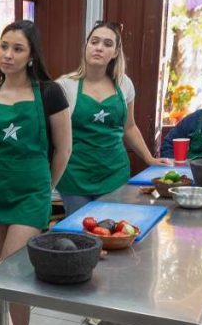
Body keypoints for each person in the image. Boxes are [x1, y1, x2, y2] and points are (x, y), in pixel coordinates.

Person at [0, 20, 72, 325]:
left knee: (16, 270)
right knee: (6, 270)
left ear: (32, 55)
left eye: (17, 48)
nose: (8, 54)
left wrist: (46, 187)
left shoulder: (50, 93)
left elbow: (63, 148)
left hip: (34, 190)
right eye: (4, 46)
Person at [56, 21, 170, 215]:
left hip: (114, 175)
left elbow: (130, 128)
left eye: (108, 44)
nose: (99, 48)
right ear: (86, 46)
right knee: (81, 237)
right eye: (94, 42)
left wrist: (149, 158)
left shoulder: (124, 84)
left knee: (113, 231)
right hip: (74, 176)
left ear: (116, 52)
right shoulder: (65, 86)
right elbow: (54, 137)